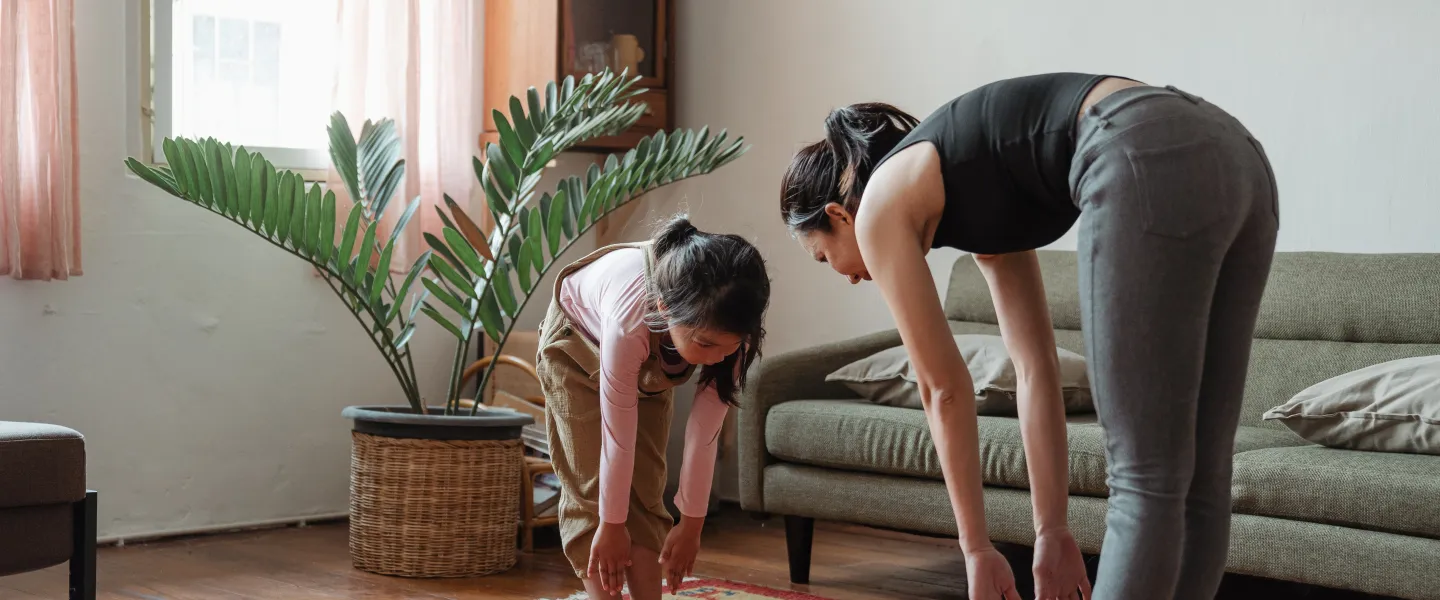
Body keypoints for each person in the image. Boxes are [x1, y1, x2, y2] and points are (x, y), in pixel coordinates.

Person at [778, 73, 1279, 600]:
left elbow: (944, 391)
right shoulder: (980, 188)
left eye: (824, 257)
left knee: (1144, 480)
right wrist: (1052, 531)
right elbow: (1033, 367)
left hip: (1141, 149)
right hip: (1238, 155)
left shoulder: (878, 206)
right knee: (1201, 476)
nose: (851, 275)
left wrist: (975, 550)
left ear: (838, 216)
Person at [536, 216, 771, 599]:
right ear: (665, 308)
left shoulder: (733, 328)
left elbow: (703, 434)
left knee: (646, 487)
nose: (719, 357)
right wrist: (611, 526)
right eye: (706, 344)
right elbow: (617, 437)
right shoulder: (629, 321)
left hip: (651, 355)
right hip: (575, 344)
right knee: (592, 493)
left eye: (730, 345)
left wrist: (692, 524)